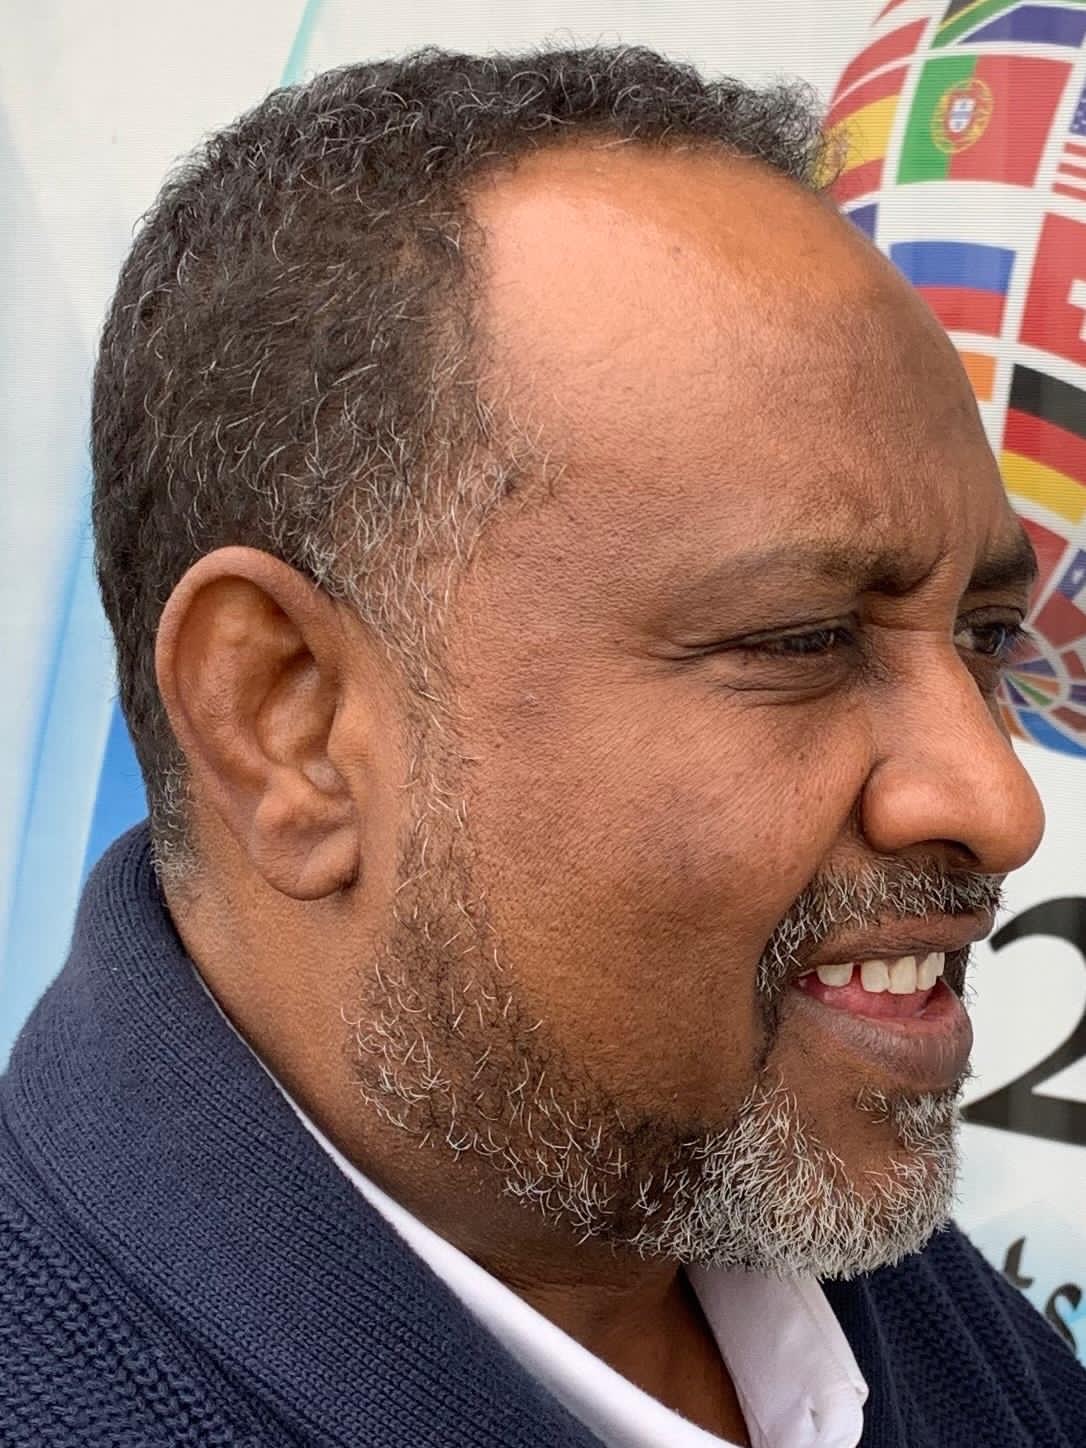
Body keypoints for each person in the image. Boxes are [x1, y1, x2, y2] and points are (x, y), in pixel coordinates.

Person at [1, 45, 1083, 1448]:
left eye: (983, 636)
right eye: (803, 640)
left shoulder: (820, 1241)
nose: (997, 801)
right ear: (288, 722)